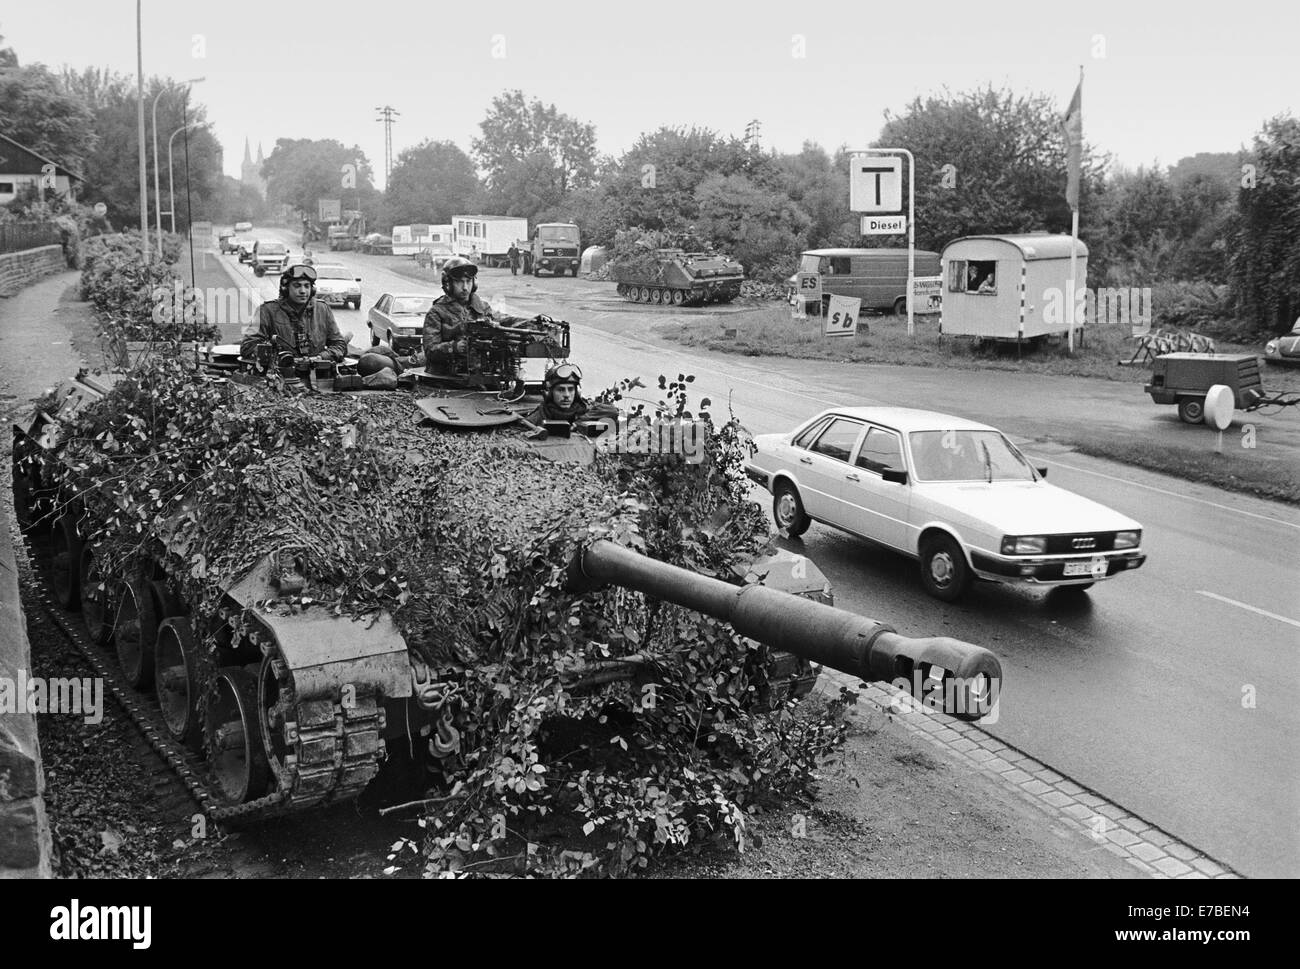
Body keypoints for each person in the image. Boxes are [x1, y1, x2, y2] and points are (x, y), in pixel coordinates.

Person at [240, 263, 349, 366]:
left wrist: (321, 358)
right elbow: (248, 346)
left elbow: (339, 345)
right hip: (280, 376)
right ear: (286, 289)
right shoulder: (267, 311)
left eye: (307, 286)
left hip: (319, 375)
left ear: (313, 290)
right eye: (297, 286)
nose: (303, 291)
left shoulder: (322, 309)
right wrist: (280, 358)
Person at [524, 362, 618, 428]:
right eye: (561, 390)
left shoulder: (584, 409)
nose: (567, 395)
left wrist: (579, 421)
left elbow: (613, 411)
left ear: (577, 392)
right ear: (549, 393)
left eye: (571, 389)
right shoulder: (539, 415)